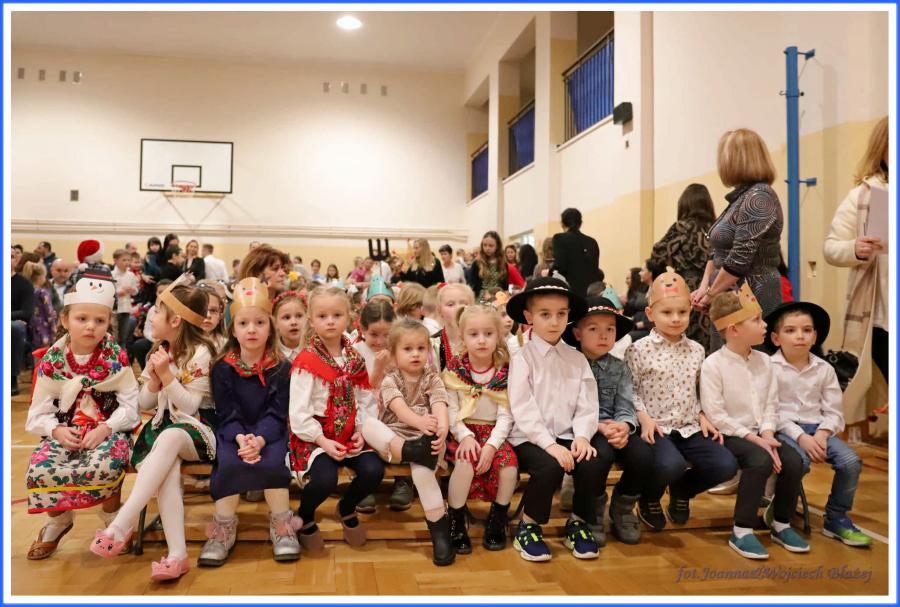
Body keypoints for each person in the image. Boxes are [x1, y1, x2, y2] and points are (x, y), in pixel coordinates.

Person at [92, 282, 217, 582]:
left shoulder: (201, 352)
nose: (152, 316)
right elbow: (144, 403)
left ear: (176, 320)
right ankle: (177, 556)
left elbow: (189, 407)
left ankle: (121, 523)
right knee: (168, 473)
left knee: (170, 437)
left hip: (198, 429)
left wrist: (166, 375)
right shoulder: (160, 350)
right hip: (163, 429)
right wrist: (154, 380)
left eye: (159, 311)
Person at [24, 268, 139, 560]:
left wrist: (106, 428)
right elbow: (38, 412)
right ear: (65, 320)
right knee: (40, 467)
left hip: (107, 428)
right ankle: (59, 520)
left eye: (100, 321)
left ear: (109, 323)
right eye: (82, 318)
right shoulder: (53, 361)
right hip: (66, 430)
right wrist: (56, 430)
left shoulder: (116, 358)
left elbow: (130, 407)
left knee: (107, 463)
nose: (91, 327)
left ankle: (112, 520)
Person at [625, 268, 738, 533]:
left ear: (690, 311)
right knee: (670, 464)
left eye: (682, 312)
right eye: (666, 312)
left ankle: (683, 490)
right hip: (657, 427)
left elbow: (699, 390)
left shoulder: (697, 350)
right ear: (650, 314)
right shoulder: (638, 349)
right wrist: (644, 419)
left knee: (726, 464)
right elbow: (630, 391)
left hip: (690, 426)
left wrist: (702, 415)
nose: (676, 319)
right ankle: (649, 498)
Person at [198, 278, 299, 566]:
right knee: (229, 463)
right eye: (243, 323)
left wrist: (261, 440)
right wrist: (242, 439)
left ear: (271, 328)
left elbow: (278, 412)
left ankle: (281, 524)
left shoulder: (281, 366)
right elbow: (227, 412)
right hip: (234, 433)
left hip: (271, 433)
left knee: (273, 463)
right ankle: (223, 527)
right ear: (233, 329)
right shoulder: (222, 367)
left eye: (259, 323)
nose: (252, 329)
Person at [701, 285, 808, 559]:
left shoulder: (765, 361)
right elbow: (716, 415)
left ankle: (781, 523)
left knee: (793, 461)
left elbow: (772, 404)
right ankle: (742, 530)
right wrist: (755, 439)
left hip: (763, 433)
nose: (765, 325)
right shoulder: (713, 365)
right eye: (757, 320)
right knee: (759, 461)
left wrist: (768, 434)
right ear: (733, 329)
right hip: (732, 434)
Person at [505, 277, 604, 562]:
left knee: (592, 461)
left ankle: (578, 522)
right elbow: (522, 407)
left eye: (561, 314)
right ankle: (529, 525)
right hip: (529, 437)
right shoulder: (523, 358)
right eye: (545, 314)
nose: (554, 321)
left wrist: (582, 436)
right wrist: (549, 445)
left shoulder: (576, 358)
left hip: (568, 434)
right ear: (529, 317)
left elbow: (587, 404)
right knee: (549, 466)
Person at [765, 301, 872, 547]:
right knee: (798, 462)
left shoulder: (824, 369)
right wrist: (801, 437)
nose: (800, 336)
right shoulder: (768, 368)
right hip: (783, 430)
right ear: (776, 338)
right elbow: (770, 412)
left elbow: (834, 412)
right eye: (790, 330)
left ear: (815, 337)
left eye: (806, 330)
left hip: (818, 429)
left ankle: (836, 518)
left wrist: (822, 435)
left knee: (850, 462)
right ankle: (781, 508)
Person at [289, 287, 385, 552]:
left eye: (337, 315)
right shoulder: (306, 361)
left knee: (374, 470)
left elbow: (364, 398)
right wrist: (322, 440)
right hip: (315, 437)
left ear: (349, 317)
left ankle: (346, 506)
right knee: (325, 480)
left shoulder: (355, 358)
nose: (330, 321)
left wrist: (361, 430)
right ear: (311, 320)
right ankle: (305, 514)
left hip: (349, 433)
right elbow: (298, 412)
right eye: (322, 316)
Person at [360, 319, 454, 566]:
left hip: (426, 439)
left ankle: (439, 532)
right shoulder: (391, 378)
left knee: (423, 475)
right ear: (393, 354)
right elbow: (399, 408)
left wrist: (442, 429)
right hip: (396, 441)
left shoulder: (432, 377)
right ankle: (412, 451)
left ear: (428, 351)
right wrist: (419, 421)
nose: (415, 354)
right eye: (408, 349)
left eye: (421, 348)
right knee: (368, 425)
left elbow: (440, 404)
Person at [565, 296, 654, 545]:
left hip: (614, 426)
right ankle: (591, 512)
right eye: (593, 329)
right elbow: (565, 408)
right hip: (583, 429)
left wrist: (624, 426)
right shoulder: (569, 365)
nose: (603, 336)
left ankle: (623, 508)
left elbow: (625, 404)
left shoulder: (620, 367)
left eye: (610, 329)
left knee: (644, 455)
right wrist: (599, 427)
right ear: (578, 333)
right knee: (597, 457)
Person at [693, 128, 784, 351]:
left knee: (749, 358)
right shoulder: (741, 197)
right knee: (726, 359)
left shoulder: (759, 197)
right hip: (727, 289)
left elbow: (739, 259)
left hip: (752, 289)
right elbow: (717, 251)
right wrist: (705, 287)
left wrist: (711, 293)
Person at [823, 116, 889, 423]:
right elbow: (831, 247)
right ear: (882, 149)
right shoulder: (866, 194)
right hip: (883, 317)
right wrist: (855, 249)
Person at [443, 304, 518, 553]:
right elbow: (451, 411)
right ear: (462, 337)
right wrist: (464, 436)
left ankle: (497, 520)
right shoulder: (454, 370)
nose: (482, 340)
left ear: (499, 335)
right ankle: (456, 521)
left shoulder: (504, 372)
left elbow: (506, 415)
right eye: (473, 334)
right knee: (465, 464)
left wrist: (492, 445)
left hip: (494, 434)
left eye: (488, 333)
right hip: (463, 432)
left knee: (509, 467)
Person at [650, 183, 716, 353]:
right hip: (715, 287)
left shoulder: (682, 227)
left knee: (686, 339)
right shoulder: (716, 228)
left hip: (688, 288)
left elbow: (657, 253)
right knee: (713, 339)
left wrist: (673, 262)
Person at [352, 299, 396, 515]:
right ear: (362, 329)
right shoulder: (355, 352)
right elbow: (361, 391)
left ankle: (403, 481)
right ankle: (363, 483)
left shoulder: (398, 350)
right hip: (364, 409)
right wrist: (378, 368)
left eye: (386, 334)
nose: (380, 341)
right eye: (374, 334)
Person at [550, 208, 602, 298]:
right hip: (592, 293)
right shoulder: (592, 242)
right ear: (580, 223)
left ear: (562, 223)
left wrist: (548, 273)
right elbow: (595, 268)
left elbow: (560, 267)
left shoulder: (559, 239)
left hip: (572, 293)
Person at [467, 231, 525, 302]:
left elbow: (505, 286)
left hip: (498, 299)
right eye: (485, 245)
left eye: (491, 246)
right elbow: (472, 285)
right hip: (481, 299)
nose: (487, 248)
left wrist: (506, 296)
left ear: (497, 246)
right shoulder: (477, 263)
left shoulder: (503, 263)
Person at [431, 283, 475, 371]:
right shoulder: (432, 345)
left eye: (464, 303)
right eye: (450, 304)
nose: (458, 308)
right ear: (439, 310)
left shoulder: (481, 340)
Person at [11, 246, 34, 396]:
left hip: (11, 323)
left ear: (17, 260)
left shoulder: (24, 284)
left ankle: (11, 378)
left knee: (14, 328)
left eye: (11, 256)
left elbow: (26, 312)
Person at [21, 261, 57, 349]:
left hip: (29, 327)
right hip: (43, 329)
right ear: (41, 277)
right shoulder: (42, 293)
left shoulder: (25, 291)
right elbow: (49, 312)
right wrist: (54, 329)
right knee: (43, 353)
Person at [111, 249, 139, 349]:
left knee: (123, 337)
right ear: (115, 260)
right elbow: (108, 291)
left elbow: (135, 291)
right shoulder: (112, 274)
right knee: (114, 336)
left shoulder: (131, 275)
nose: (127, 262)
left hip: (126, 308)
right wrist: (118, 292)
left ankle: (122, 356)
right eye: (124, 260)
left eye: (128, 260)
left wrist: (132, 290)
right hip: (114, 309)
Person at [273, 291, 306, 363]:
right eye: (287, 317)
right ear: (275, 323)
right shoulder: (271, 355)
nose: (294, 322)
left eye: (299, 316)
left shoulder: (316, 351)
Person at [624, 265, 653, 342]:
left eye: (642, 271)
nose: (640, 273)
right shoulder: (636, 293)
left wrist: (638, 325)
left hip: (646, 328)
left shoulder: (651, 290)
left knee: (625, 337)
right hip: (637, 326)